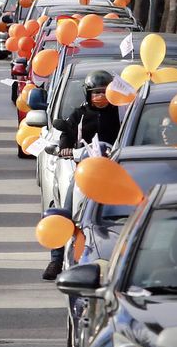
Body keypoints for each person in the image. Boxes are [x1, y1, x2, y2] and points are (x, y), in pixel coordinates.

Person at [43, 70, 123, 280]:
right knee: (64, 212)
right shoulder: (78, 115)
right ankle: (56, 260)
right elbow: (66, 134)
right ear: (88, 94)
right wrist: (65, 149)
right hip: (84, 172)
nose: (100, 96)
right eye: (96, 92)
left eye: (104, 92)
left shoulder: (122, 114)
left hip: (116, 173)